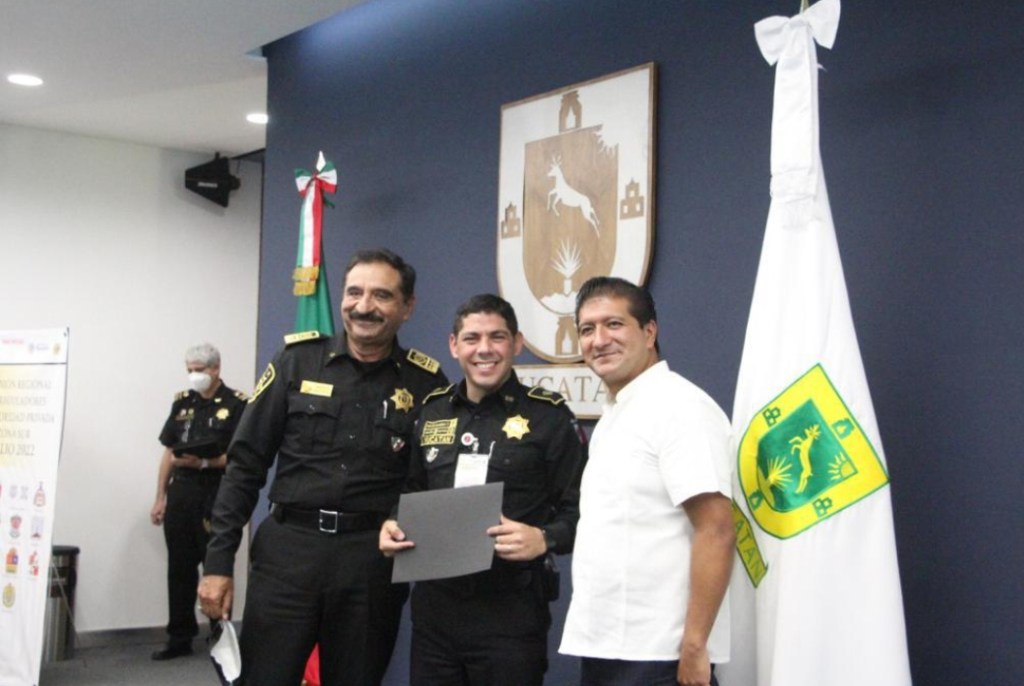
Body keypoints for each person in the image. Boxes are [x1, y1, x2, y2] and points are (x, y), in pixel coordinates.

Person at [198, 249, 447, 686]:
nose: (364, 306)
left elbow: (428, 481)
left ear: (407, 307)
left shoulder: (426, 383)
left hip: (370, 563)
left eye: (381, 295)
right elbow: (245, 466)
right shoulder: (295, 361)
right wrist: (218, 562)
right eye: (354, 292)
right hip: (289, 554)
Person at [380, 293, 587, 686]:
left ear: (517, 343)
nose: (484, 349)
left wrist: (545, 538)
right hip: (436, 613)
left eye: (497, 337)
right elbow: (412, 489)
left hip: (510, 611)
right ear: (454, 345)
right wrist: (393, 522)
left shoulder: (549, 417)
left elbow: (583, 509)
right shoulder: (432, 411)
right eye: (472, 338)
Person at [559, 277, 735, 686]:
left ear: (649, 331)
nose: (599, 340)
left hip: (662, 655)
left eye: (614, 324)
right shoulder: (616, 414)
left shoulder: (680, 408)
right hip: (607, 647)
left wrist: (695, 646)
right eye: (587, 329)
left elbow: (717, 530)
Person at [150, 343, 246, 660]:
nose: (194, 375)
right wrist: (160, 497)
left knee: (215, 565)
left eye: (199, 370)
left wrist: (205, 463)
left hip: (216, 492)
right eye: (189, 370)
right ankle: (179, 637)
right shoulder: (183, 403)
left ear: (216, 369)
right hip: (182, 491)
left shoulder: (237, 404)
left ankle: (220, 636)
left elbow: (240, 456)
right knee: (179, 567)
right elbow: (169, 452)